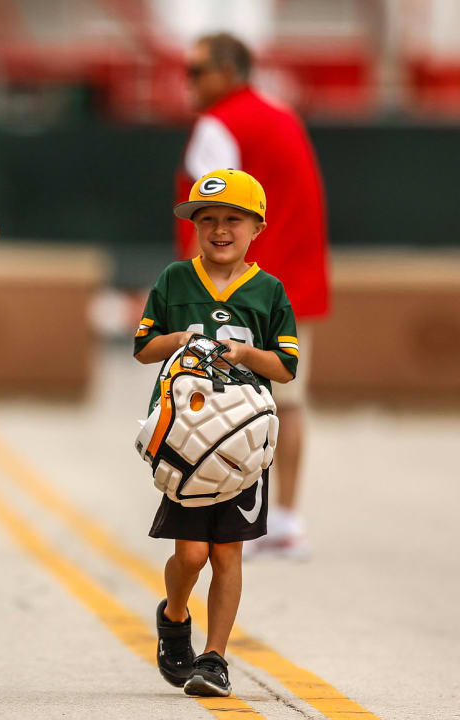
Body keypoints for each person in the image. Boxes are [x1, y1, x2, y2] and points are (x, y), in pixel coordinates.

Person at [136, 169, 298, 697]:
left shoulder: (269, 290)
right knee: (190, 555)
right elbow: (142, 347)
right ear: (195, 227)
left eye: (233, 219)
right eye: (208, 219)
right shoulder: (174, 280)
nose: (220, 229)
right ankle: (175, 615)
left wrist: (248, 355)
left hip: (243, 444)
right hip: (187, 440)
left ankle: (215, 657)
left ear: (257, 227)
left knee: (227, 552)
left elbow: (286, 366)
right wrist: (181, 339)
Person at [178, 32, 328, 557]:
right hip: (291, 287)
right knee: (288, 403)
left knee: (209, 404)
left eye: (196, 71)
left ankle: (219, 520)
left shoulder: (219, 124)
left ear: (228, 71)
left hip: (237, 289)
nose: (188, 82)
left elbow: (204, 214)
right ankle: (286, 520)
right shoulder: (284, 115)